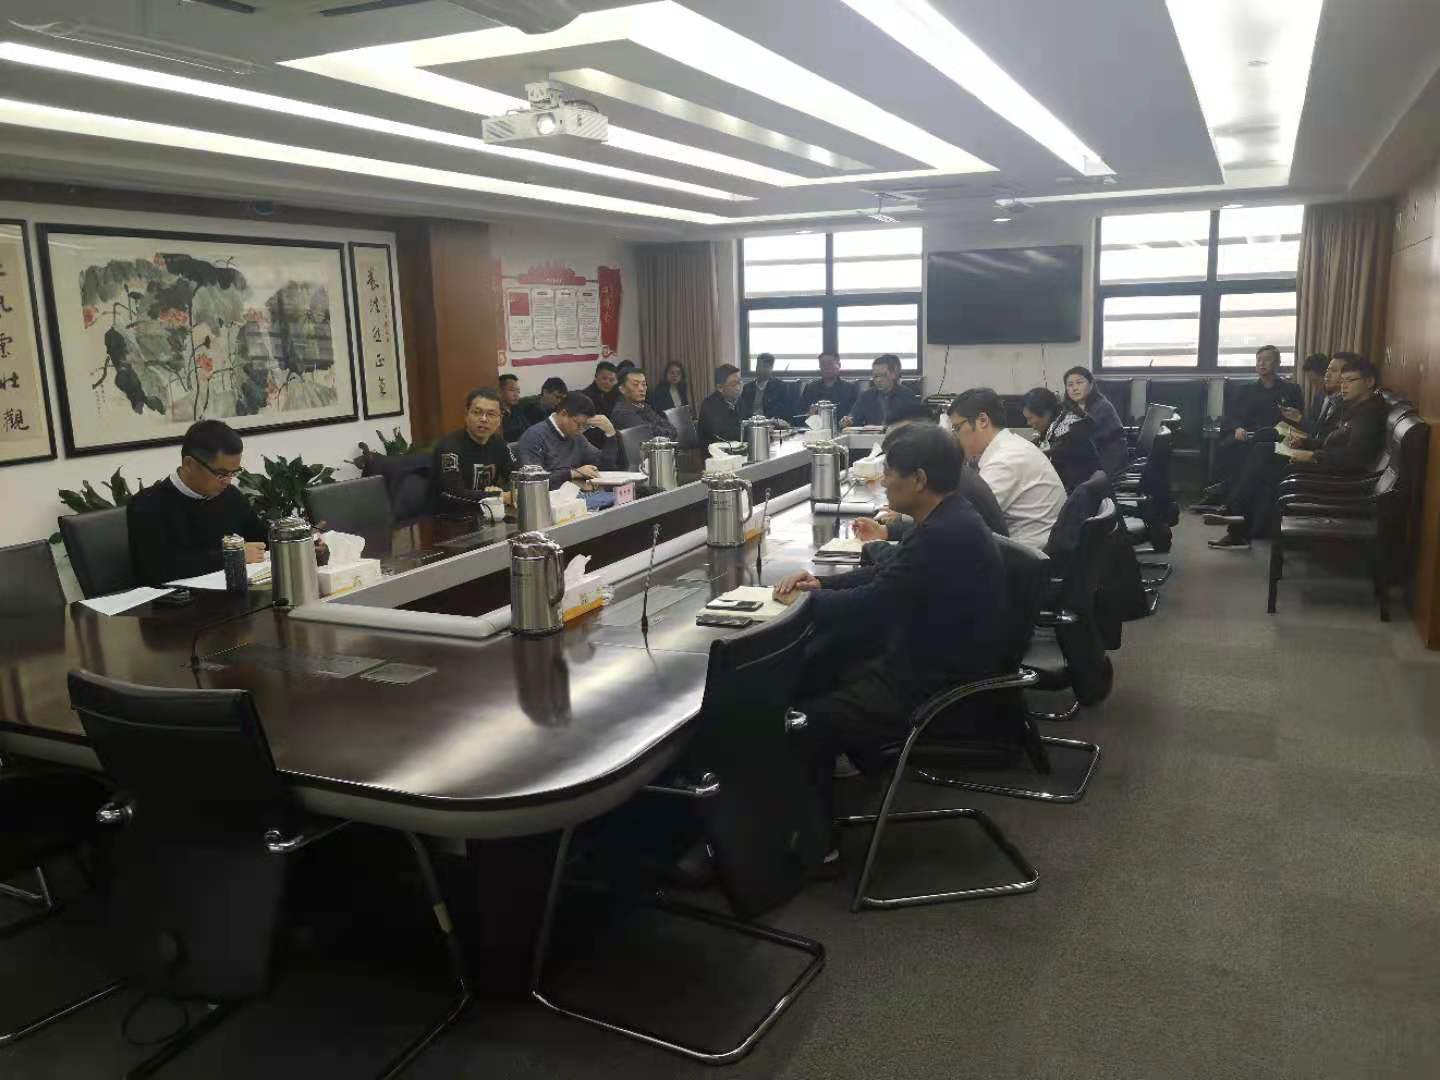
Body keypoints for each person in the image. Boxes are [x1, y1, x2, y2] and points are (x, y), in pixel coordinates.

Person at [775, 424, 1013, 825]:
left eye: (889, 473)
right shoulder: (948, 516)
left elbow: (875, 603)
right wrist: (821, 584)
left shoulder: (942, 534)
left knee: (804, 722)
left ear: (918, 479)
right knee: (824, 667)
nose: (883, 481)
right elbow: (891, 577)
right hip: (936, 660)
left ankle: (817, 845)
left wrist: (802, 605)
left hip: (938, 687)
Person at [1207, 354, 1387, 551]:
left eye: (1350, 381)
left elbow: (1353, 458)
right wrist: (1306, 442)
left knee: (1265, 455)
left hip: (1336, 476)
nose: (1344, 386)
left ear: (1369, 382)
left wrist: (1312, 455)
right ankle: (1238, 518)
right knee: (1263, 451)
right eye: (1342, 381)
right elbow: (1331, 440)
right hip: (1326, 464)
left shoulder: (1368, 413)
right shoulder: (1355, 407)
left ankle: (1235, 515)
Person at [127, 420, 271, 586]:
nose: (228, 481)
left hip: (232, 593)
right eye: (221, 473)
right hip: (176, 600)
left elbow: (262, 539)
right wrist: (232, 557)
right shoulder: (147, 505)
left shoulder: (230, 496)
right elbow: (158, 569)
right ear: (190, 464)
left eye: (234, 473)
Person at [853, 398, 1008, 542]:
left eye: (902, 440)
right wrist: (885, 531)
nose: (884, 483)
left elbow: (926, 537)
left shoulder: (956, 488)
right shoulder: (951, 476)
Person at [950, 388, 1066, 551]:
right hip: (1034, 545)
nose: (955, 436)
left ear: (982, 421)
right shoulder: (1010, 446)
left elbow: (963, 521)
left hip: (1028, 556)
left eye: (957, 428)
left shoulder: (1004, 460)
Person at [1203, 345, 1305, 499]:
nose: (1261, 364)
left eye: (1267, 360)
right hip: (1248, 435)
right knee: (1230, 445)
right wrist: (1237, 428)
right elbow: (1231, 416)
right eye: (1259, 360)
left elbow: (1299, 419)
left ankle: (1230, 492)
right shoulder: (1245, 390)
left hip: (1277, 437)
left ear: (1277, 363)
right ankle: (1226, 490)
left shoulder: (1291, 390)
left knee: (1258, 452)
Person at [431, 387, 516, 514]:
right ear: (466, 415)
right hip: (448, 517)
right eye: (477, 412)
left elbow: (516, 475)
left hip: (486, 514)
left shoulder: (499, 444)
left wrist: (515, 490)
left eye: (491, 414)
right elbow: (455, 494)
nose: (484, 419)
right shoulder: (450, 447)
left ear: (500, 419)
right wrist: (498, 496)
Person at [515, 391, 617, 488]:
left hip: (574, 493)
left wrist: (610, 434)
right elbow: (533, 480)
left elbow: (605, 466)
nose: (581, 430)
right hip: (547, 497)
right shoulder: (534, 436)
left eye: (586, 426)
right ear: (564, 414)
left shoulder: (577, 437)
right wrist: (572, 474)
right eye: (578, 424)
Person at [1021, 386, 1102, 493]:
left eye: (1030, 418)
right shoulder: (1058, 422)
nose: (1028, 423)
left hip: (1077, 494)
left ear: (1047, 413)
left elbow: (1050, 458)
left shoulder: (1071, 432)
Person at [1062, 366, 1127, 477]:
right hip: (1091, 457)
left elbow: (1078, 435)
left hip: (1107, 463)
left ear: (1091, 385)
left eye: (1079, 383)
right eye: (1070, 385)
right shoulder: (1074, 407)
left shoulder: (1102, 406)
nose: (1074, 388)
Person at [843, 354, 918, 428]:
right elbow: (853, 418)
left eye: (883, 375)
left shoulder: (906, 394)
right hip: (871, 435)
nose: (878, 380)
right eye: (876, 376)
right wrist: (847, 421)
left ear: (893, 375)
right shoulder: (866, 396)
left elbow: (915, 423)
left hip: (898, 435)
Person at [609, 368, 678, 441]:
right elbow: (647, 434)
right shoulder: (622, 412)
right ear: (622, 389)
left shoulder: (644, 406)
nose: (641, 389)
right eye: (635, 384)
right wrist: (665, 433)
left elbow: (672, 429)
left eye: (644, 384)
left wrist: (663, 433)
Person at [698, 363, 748, 445]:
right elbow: (723, 436)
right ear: (720, 388)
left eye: (740, 382)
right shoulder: (709, 405)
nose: (739, 387)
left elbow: (746, 427)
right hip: (715, 450)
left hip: (737, 449)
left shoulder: (741, 401)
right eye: (734, 384)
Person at [799, 351, 859, 419]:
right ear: (819, 366)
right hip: (815, 425)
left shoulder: (850, 388)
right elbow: (800, 414)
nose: (826, 367)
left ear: (839, 365)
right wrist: (809, 414)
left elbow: (855, 414)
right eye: (823, 364)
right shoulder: (810, 388)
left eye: (830, 364)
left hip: (842, 425)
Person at [740, 352, 795, 421]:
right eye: (758, 366)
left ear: (771, 368)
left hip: (770, 424)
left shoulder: (780, 387)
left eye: (764, 366)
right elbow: (742, 410)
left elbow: (784, 412)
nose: (760, 369)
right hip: (751, 423)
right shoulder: (747, 388)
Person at [582, 361, 621, 448]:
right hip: (594, 444)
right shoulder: (586, 398)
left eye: (611, 380)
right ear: (596, 377)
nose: (607, 382)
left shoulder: (617, 395)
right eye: (604, 378)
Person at [498, 373, 545, 443]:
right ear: (500, 391)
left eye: (518, 391)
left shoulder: (517, 408)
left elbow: (528, 429)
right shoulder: (497, 413)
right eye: (512, 390)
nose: (516, 394)